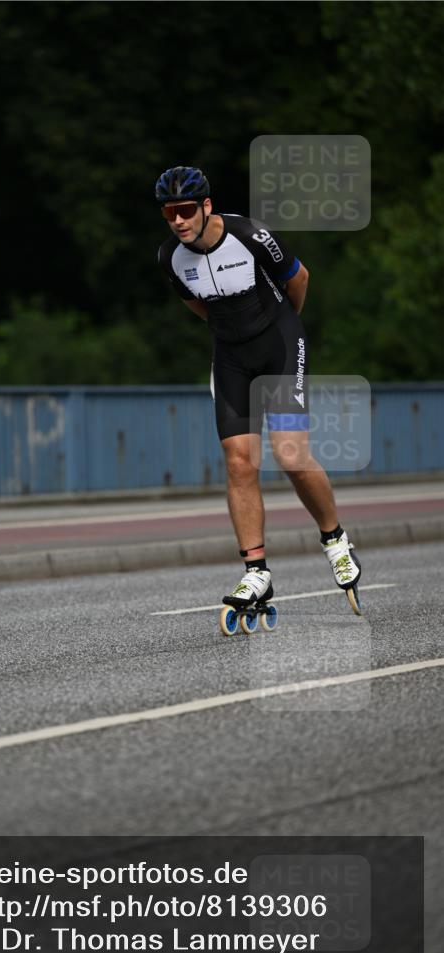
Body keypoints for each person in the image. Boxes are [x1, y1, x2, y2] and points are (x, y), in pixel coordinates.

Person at [155, 165, 361, 625]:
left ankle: (335, 540)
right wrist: (233, 332)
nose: (178, 220)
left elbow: (299, 278)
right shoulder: (169, 256)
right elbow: (196, 305)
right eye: (169, 213)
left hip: (280, 344)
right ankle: (256, 571)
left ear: (206, 206)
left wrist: (285, 329)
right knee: (238, 462)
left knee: (290, 455)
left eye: (185, 210)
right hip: (231, 356)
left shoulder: (251, 235)